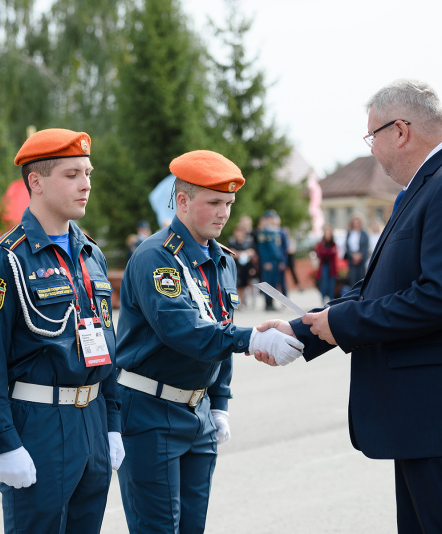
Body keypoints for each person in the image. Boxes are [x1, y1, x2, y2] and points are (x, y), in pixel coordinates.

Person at [257, 79, 442, 533]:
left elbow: (441, 297)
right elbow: (382, 285)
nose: (373, 152)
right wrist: (301, 331)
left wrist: (340, 323)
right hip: (436, 418)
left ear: (400, 130)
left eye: (372, 137)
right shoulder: (439, 183)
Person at [115, 150, 303, 533]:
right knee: (158, 528)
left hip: (197, 412)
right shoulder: (156, 257)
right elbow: (182, 330)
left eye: (229, 204)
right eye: (214, 202)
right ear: (182, 201)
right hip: (151, 411)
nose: (224, 213)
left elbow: (220, 328)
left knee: (193, 527)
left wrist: (220, 402)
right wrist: (254, 338)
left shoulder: (223, 260)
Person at [0, 128, 122, 534]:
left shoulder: (90, 254)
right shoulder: (5, 260)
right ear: (36, 182)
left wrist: (114, 424)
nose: (86, 184)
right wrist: (5, 441)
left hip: (92, 418)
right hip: (39, 424)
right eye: (72, 174)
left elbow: (106, 346)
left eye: (88, 172)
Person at [256, 209, 285, 309]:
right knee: (268, 282)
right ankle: (268, 304)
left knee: (274, 282)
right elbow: (262, 249)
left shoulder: (275, 231)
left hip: (276, 260)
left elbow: (279, 248)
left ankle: (272, 303)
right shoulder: (263, 231)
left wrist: (281, 260)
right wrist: (266, 261)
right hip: (269, 261)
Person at [227, 222, 256, 309]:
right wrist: (240, 254)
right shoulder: (232, 241)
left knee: (244, 285)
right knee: (236, 285)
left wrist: (244, 253)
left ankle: (242, 302)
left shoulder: (248, 241)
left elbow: (252, 252)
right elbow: (230, 252)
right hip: (235, 266)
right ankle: (236, 302)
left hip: (246, 267)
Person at [343, 213, 369, 289]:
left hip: (361, 259)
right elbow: (347, 246)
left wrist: (360, 256)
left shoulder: (364, 234)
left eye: (357, 222)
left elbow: (365, 246)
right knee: (353, 280)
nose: (356, 224)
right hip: (352, 259)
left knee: (361, 279)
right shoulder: (350, 233)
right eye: (354, 222)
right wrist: (353, 255)